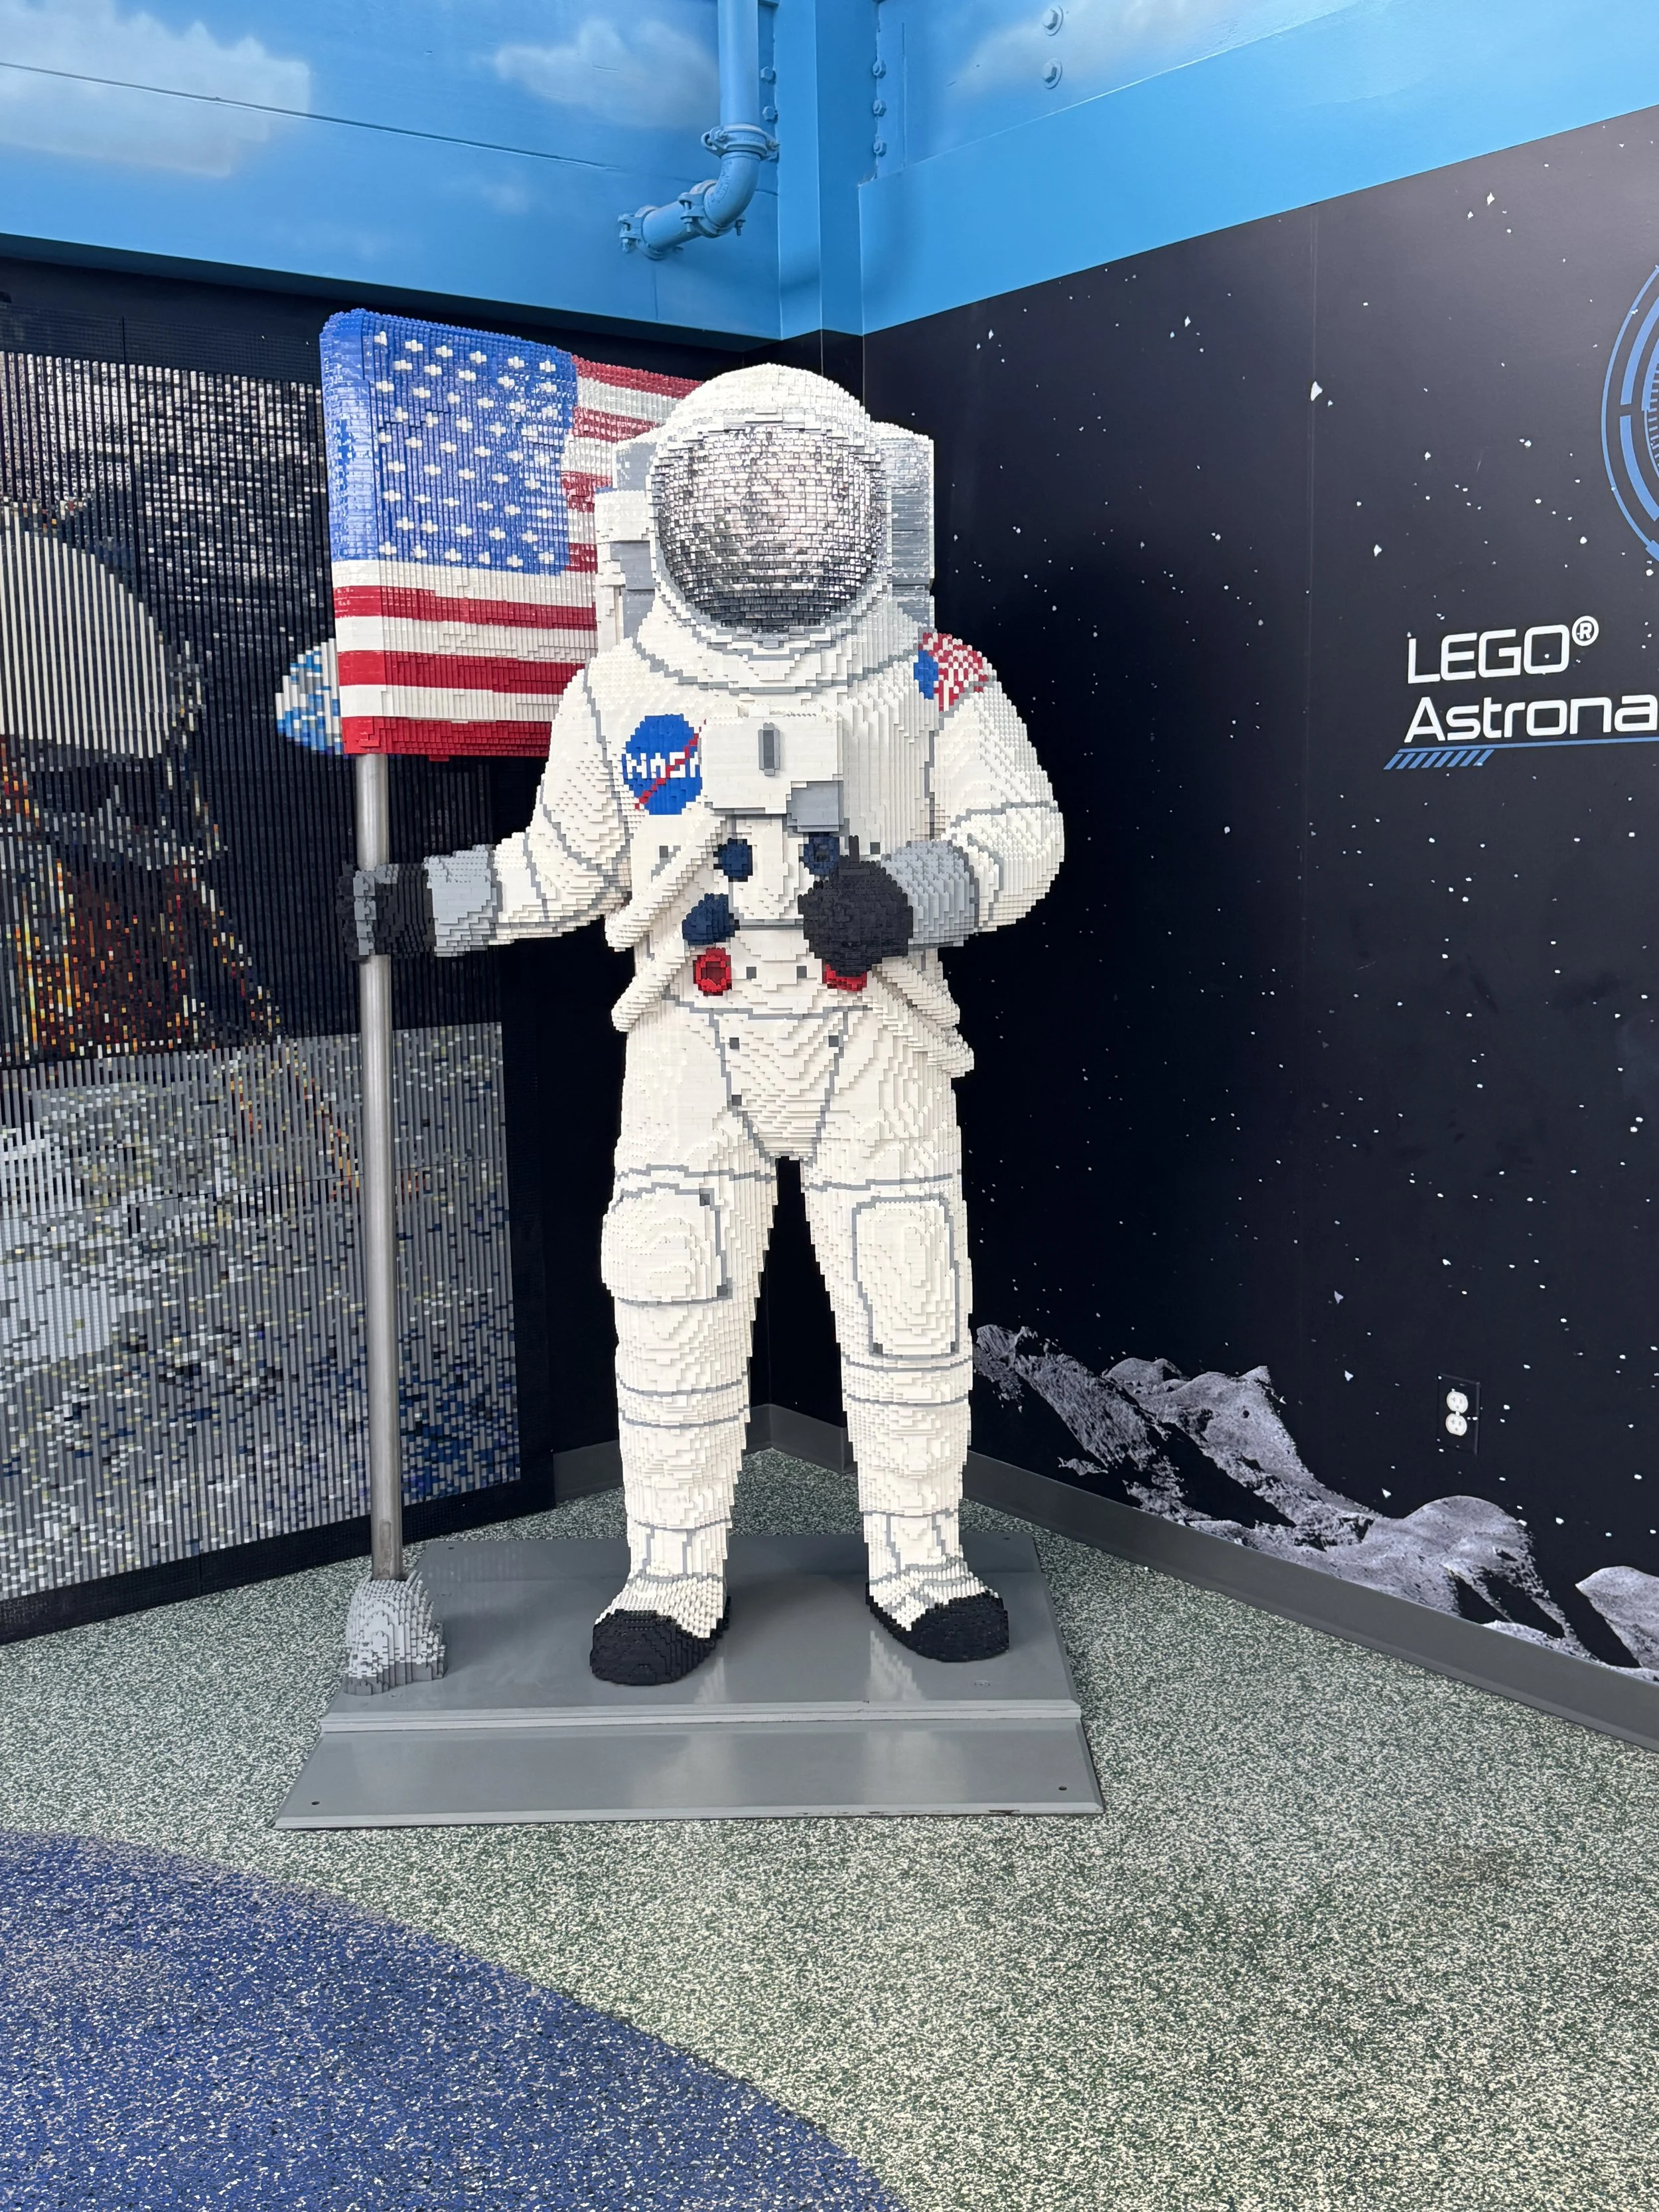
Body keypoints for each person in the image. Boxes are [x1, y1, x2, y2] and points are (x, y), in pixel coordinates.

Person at [344, 364, 1063, 1686]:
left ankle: (919, 1556)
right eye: (738, 488)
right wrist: (427, 905)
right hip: (695, 1037)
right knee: (672, 1307)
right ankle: (671, 1571)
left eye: (798, 487)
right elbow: (565, 867)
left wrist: (910, 893)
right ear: (667, 508)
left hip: (877, 1035)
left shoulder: (932, 674)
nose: (768, 514)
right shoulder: (619, 691)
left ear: (871, 502)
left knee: (908, 1306)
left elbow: (1021, 833)